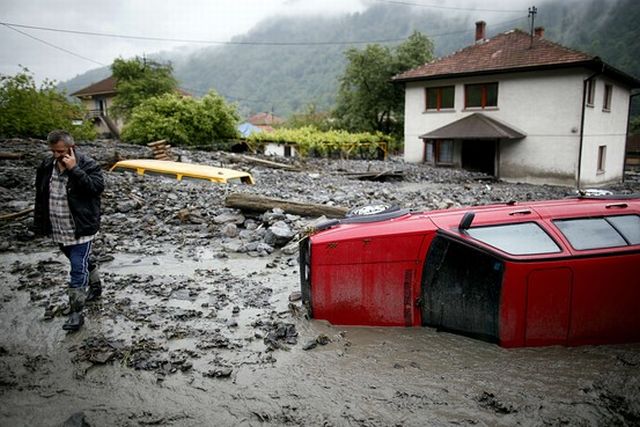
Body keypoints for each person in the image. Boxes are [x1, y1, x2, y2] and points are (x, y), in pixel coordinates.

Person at [33, 130, 104, 331]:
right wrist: (39, 224)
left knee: (77, 267)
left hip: (81, 228)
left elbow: (96, 189)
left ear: (71, 148)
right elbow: (40, 195)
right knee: (81, 261)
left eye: (61, 151)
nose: (57, 156)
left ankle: (76, 313)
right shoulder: (46, 166)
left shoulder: (88, 164)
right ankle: (96, 286)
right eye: (54, 151)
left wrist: (75, 170)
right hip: (58, 227)